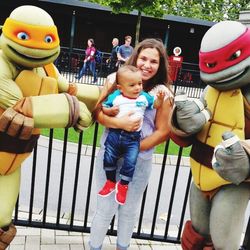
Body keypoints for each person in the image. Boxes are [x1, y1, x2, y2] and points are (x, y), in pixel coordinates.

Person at [0, 5, 100, 249]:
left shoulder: (45, 67)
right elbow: (20, 106)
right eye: (24, 37)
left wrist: (105, 95)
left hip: (13, 156)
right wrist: (73, 110)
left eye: (47, 39)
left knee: (2, 218)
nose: (36, 45)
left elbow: (67, 87)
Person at [170, 20, 250, 249]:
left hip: (233, 181)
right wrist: (182, 121)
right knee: (198, 231)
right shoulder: (210, 91)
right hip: (201, 171)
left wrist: (245, 155)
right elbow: (184, 134)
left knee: (224, 239)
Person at [89, 38, 173, 250]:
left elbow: (163, 131)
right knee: (105, 208)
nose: (147, 65)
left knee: (128, 210)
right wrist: (118, 123)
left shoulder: (162, 93)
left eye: (153, 61)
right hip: (109, 153)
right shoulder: (114, 80)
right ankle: (94, 247)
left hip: (140, 161)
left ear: (160, 65)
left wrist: (133, 150)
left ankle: (122, 247)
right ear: (136, 57)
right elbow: (97, 112)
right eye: (143, 58)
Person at [94, 65, 166, 206]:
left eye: (139, 84)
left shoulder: (144, 97)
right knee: (108, 159)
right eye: (132, 85)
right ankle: (110, 181)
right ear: (121, 88)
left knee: (130, 162)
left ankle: (123, 185)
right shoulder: (116, 96)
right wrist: (109, 111)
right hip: (114, 135)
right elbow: (103, 107)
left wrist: (160, 100)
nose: (137, 87)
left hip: (133, 138)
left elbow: (155, 105)